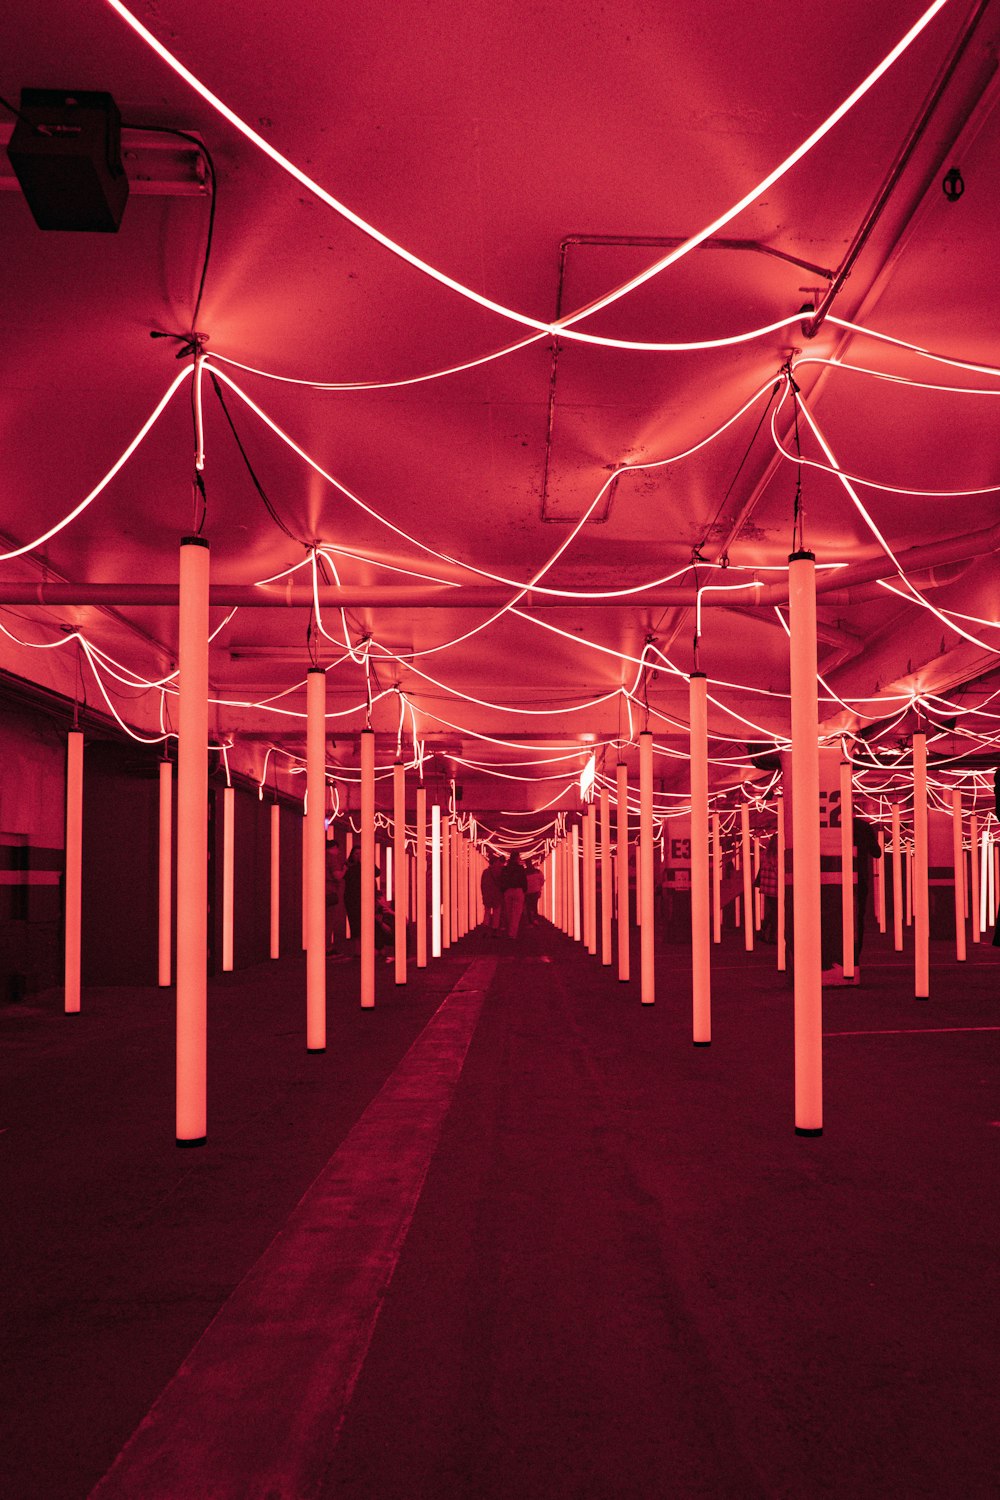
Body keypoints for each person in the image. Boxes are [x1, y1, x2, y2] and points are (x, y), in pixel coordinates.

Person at [822, 813, 882, 985]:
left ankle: (834, 955)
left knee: (833, 917)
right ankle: (854, 957)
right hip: (859, 878)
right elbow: (877, 853)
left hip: (833, 879)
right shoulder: (864, 827)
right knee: (857, 919)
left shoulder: (831, 826)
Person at [499, 850, 528, 939]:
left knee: (509, 912)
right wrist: (524, 890)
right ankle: (512, 933)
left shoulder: (505, 869)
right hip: (518, 891)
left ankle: (510, 931)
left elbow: (502, 880)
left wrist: (503, 890)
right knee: (516, 913)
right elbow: (524, 880)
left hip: (508, 891)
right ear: (517, 858)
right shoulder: (520, 868)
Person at [757, 835, 779, 943]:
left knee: (773, 912)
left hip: (766, 889)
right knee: (776, 913)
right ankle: (770, 936)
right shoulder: (777, 856)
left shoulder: (766, 855)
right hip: (775, 889)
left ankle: (763, 931)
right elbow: (778, 872)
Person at [481, 854, 504, 932]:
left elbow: (483, 884)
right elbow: (501, 883)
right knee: (496, 912)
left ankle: (486, 927)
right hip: (496, 894)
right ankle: (495, 928)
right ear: (494, 863)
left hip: (488, 894)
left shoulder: (485, 872)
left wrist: (483, 894)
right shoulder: (499, 872)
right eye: (497, 862)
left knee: (487, 911)